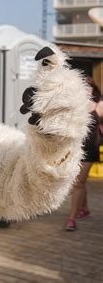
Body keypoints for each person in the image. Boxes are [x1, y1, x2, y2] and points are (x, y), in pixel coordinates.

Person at [65, 77, 101, 231]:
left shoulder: (99, 106)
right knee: (79, 181)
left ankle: (71, 219)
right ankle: (84, 208)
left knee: (77, 182)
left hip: (90, 149)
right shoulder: (75, 106)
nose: (85, 90)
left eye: (88, 88)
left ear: (93, 90)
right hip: (74, 149)